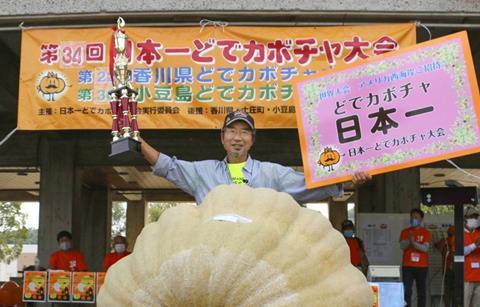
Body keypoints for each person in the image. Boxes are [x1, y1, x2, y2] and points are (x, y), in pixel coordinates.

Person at [139, 110, 371, 205]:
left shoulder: (271, 173)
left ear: (252, 139)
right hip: (214, 263)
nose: (237, 137)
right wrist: (138, 144)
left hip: (258, 269)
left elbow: (311, 183)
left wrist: (350, 179)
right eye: (231, 131)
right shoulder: (203, 172)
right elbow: (168, 166)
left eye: (244, 131)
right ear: (222, 137)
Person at [399, 208, 431, 307]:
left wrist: (414, 243)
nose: (414, 219)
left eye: (416, 217)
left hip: (422, 266)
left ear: (421, 219)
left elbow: (425, 248)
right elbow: (402, 246)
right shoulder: (405, 232)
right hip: (407, 266)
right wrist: (409, 241)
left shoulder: (426, 232)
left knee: (421, 290)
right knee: (407, 290)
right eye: (412, 217)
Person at [463, 205, 480, 307]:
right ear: (465, 218)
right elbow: (460, 252)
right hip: (466, 278)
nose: (474, 219)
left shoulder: (478, 233)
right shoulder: (459, 234)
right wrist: (475, 245)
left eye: (476, 217)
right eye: (471, 217)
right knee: (464, 304)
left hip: (479, 278)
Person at [434, 225, 454, 307]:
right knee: (451, 290)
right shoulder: (446, 241)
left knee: (448, 290)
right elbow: (437, 246)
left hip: (449, 269)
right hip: (449, 269)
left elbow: (436, 245)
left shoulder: (445, 241)